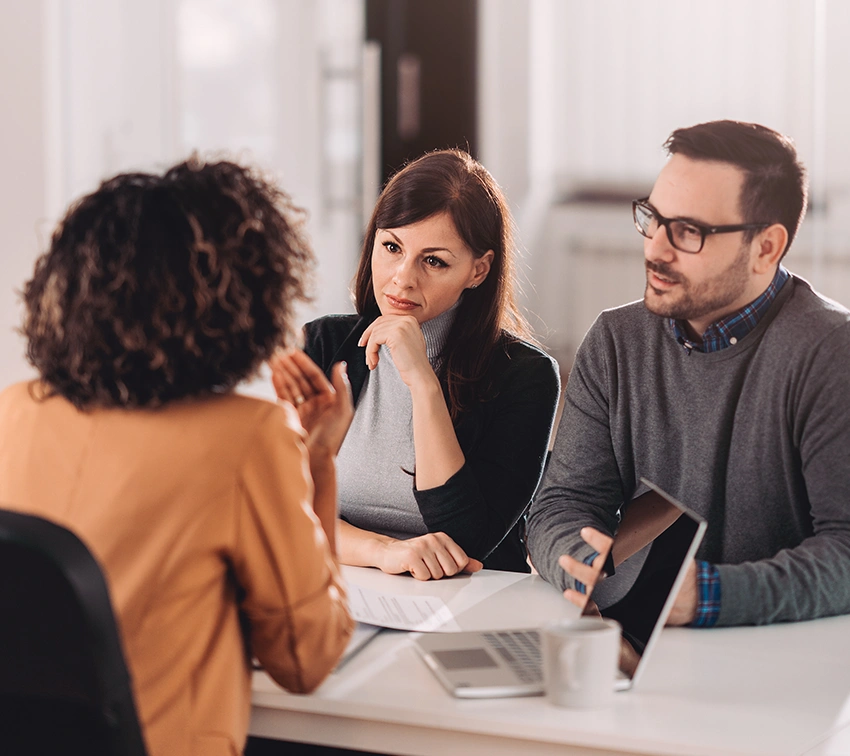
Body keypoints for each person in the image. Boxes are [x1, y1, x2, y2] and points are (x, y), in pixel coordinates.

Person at [0, 158, 355, 756]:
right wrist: (317, 460)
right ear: (246, 301)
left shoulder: (12, 412)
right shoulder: (247, 439)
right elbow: (306, 658)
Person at [527, 120, 850, 628]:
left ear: (766, 247)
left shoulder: (831, 352)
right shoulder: (615, 340)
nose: (656, 248)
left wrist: (707, 597)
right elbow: (563, 503)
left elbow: (847, 551)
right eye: (653, 219)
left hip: (778, 657)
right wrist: (579, 566)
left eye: (688, 231)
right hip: (631, 643)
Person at [271, 149, 560, 579]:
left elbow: (467, 539)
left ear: (478, 271)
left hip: (465, 601)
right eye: (392, 247)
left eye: (434, 261)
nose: (402, 278)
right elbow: (284, 507)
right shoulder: (324, 343)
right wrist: (383, 551)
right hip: (348, 585)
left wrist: (423, 384)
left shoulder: (526, 375)